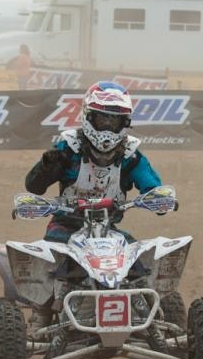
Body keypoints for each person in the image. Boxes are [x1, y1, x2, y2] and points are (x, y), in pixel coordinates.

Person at [24, 80, 162, 245]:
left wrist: (159, 199)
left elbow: (153, 189)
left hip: (107, 229)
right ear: (88, 115)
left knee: (138, 262)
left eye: (114, 121)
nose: (108, 126)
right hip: (65, 226)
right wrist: (46, 167)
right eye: (103, 119)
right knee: (52, 259)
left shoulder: (130, 155)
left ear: (125, 122)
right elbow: (34, 187)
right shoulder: (69, 148)